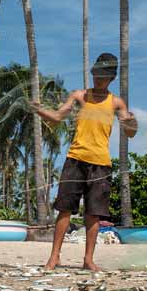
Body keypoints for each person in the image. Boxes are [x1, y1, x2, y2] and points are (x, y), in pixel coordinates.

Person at [32, 52, 137, 272]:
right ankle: (54, 257)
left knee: (94, 213)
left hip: (101, 163)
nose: (100, 77)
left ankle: (88, 259)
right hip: (75, 158)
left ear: (112, 78)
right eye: (97, 73)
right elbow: (58, 117)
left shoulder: (116, 102)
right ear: (93, 72)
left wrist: (132, 122)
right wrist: (39, 110)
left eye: (105, 75)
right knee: (64, 209)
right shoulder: (80, 96)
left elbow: (130, 133)